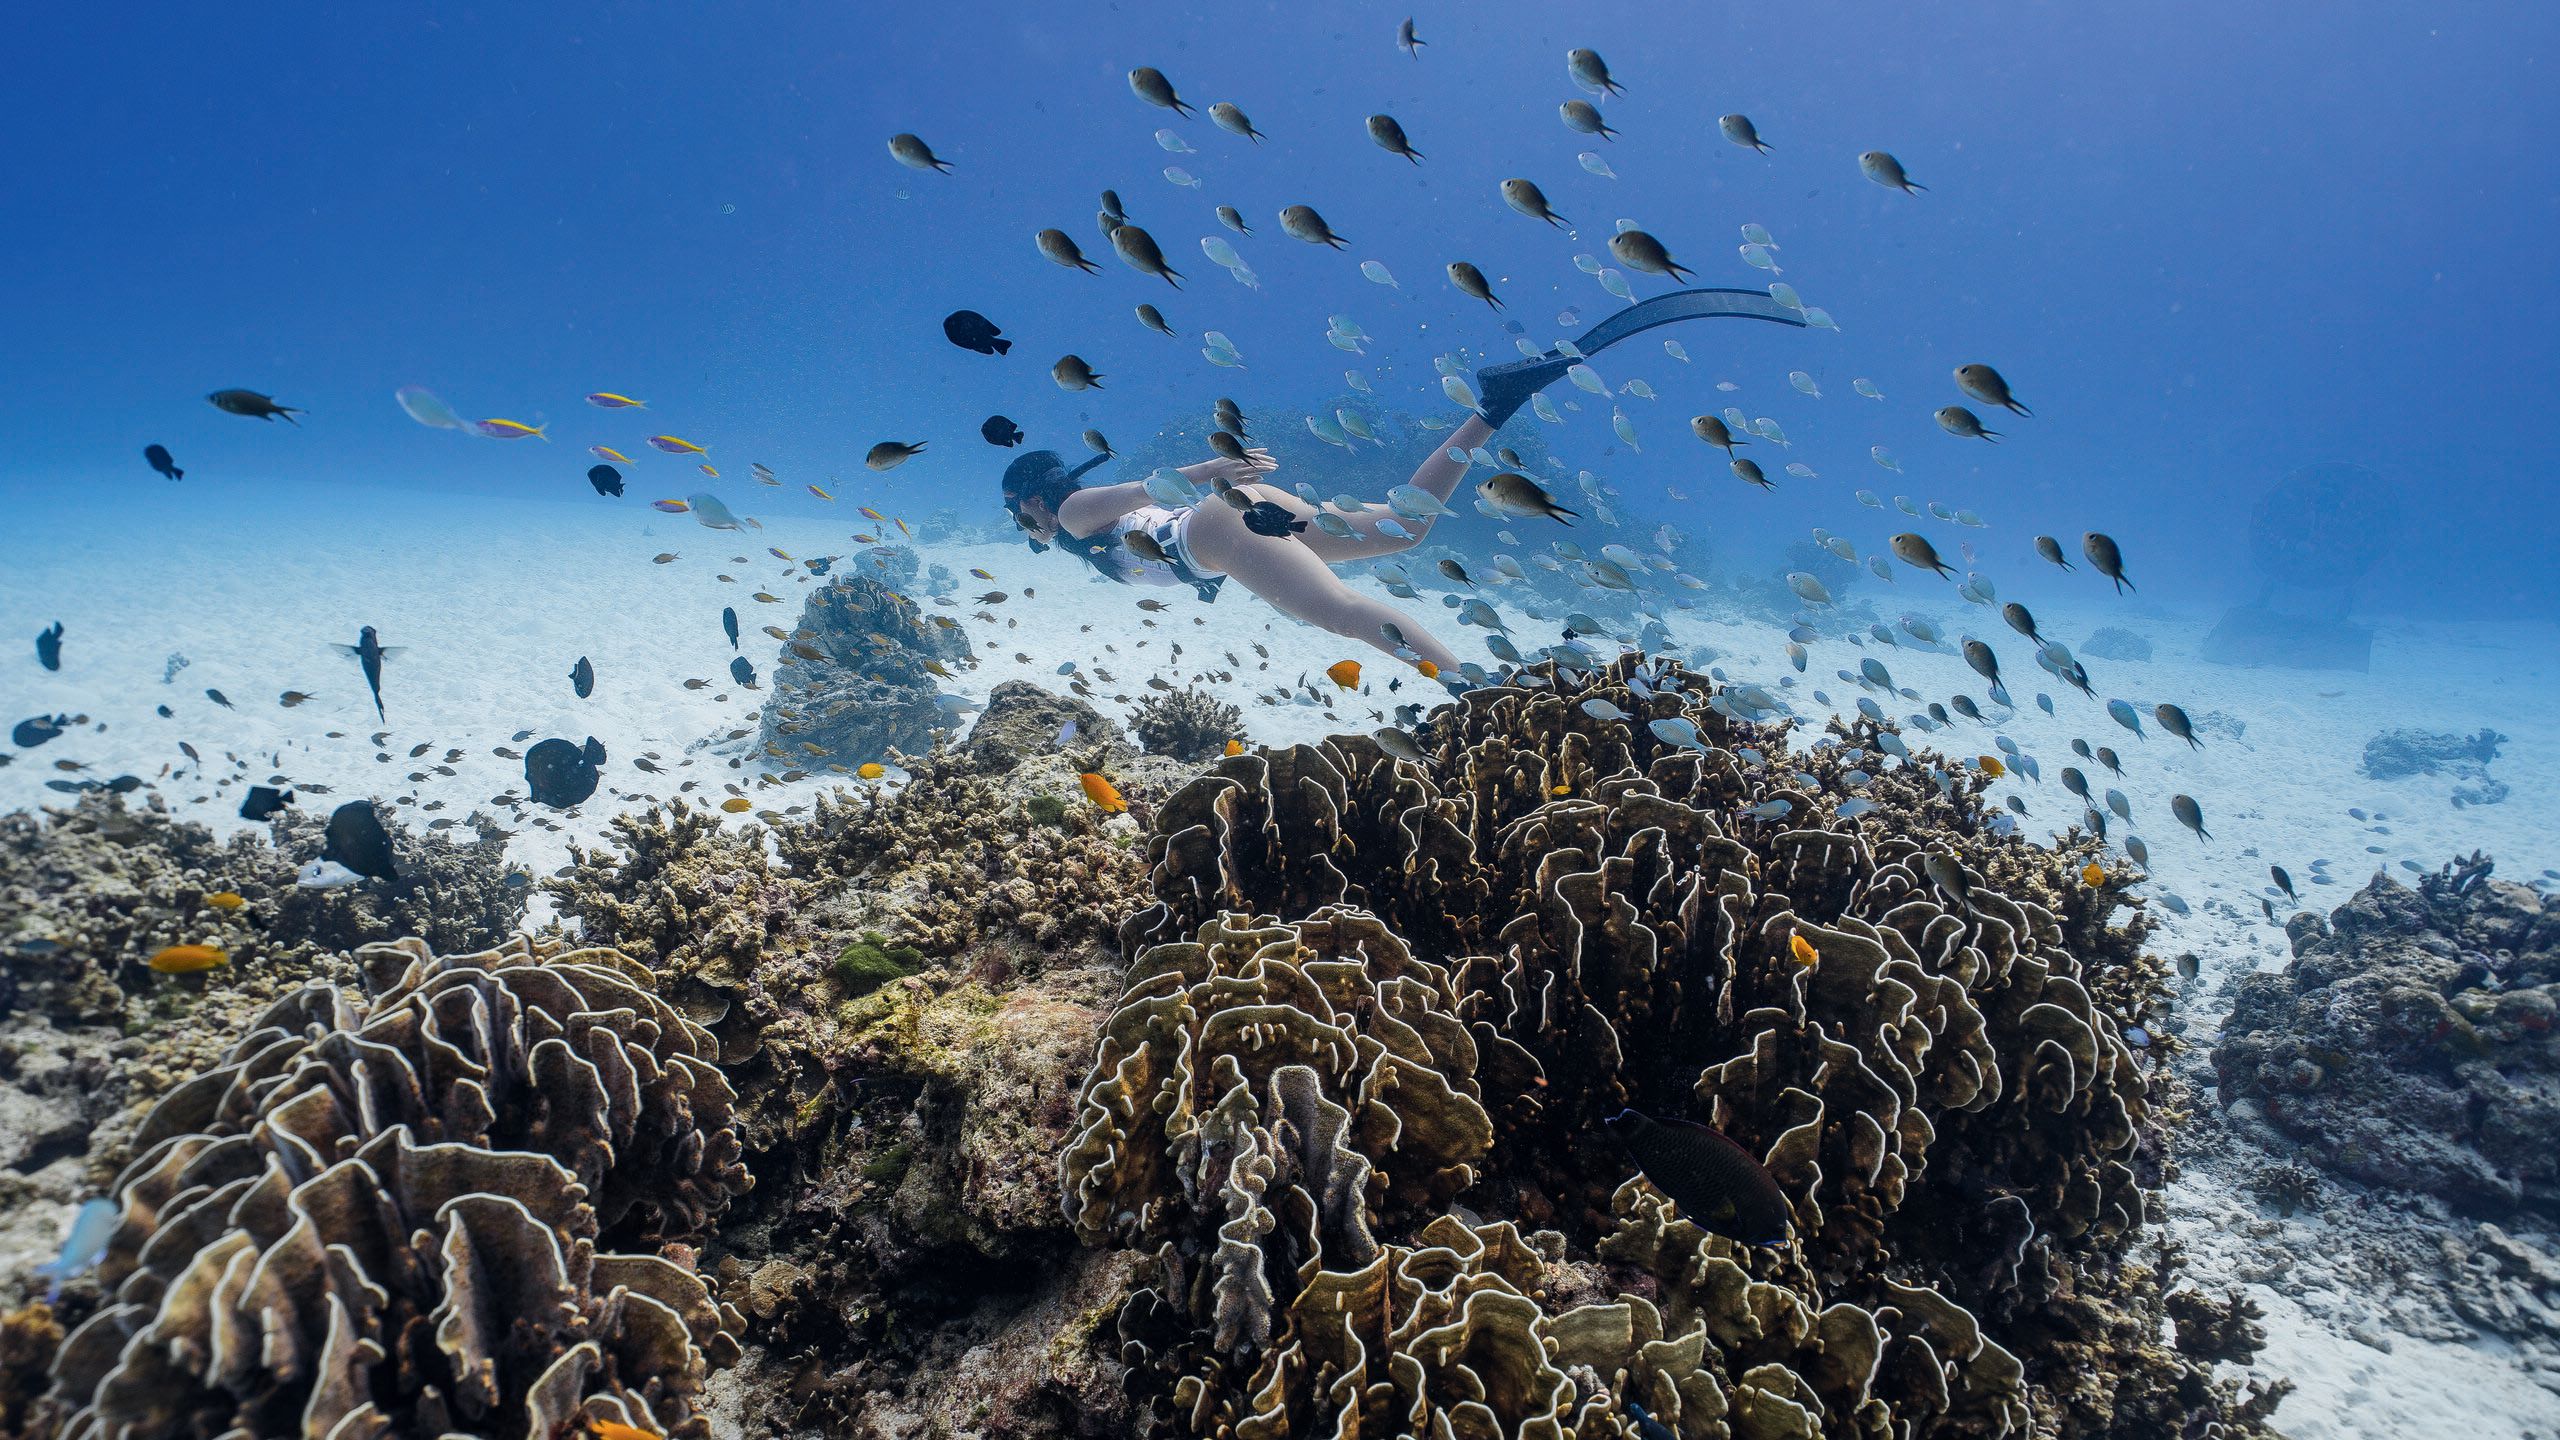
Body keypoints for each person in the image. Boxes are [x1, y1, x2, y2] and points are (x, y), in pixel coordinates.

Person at [1002, 288, 1808, 675]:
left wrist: (1211, 471)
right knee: (1404, 527)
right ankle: (1495, 407)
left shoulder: (1070, 511)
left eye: (1020, 516)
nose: (1027, 529)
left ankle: (1472, 688)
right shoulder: (1074, 520)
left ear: (1035, 498)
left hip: (1214, 528)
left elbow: (1145, 485)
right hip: (1240, 518)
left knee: (1343, 613)